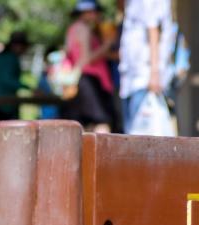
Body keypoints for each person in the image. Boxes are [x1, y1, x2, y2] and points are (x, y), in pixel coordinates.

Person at [62, 0, 117, 133]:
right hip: (89, 80)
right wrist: (107, 44)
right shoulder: (84, 28)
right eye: (95, 12)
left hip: (80, 80)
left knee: (86, 126)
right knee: (102, 123)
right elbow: (87, 59)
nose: (97, 15)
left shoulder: (73, 29)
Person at [118, 0, 170, 132]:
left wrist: (154, 72)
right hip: (131, 79)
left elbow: (153, 29)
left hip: (144, 78)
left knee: (140, 138)